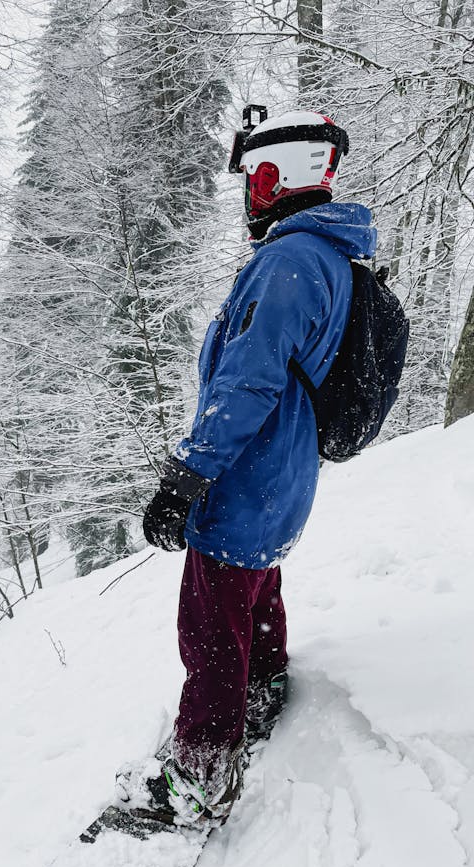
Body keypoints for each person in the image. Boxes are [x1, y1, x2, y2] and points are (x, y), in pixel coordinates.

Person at [116, 108, 377, 826]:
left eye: (251, 180)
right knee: (253, 593)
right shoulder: (327, 256)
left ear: (275, 176)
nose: (246, 197)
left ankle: (197, 779)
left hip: (246, 477)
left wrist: (186, 476)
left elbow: (247, 385)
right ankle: (263, 688)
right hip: (281, 479)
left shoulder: (288, 263)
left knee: (209, 628)